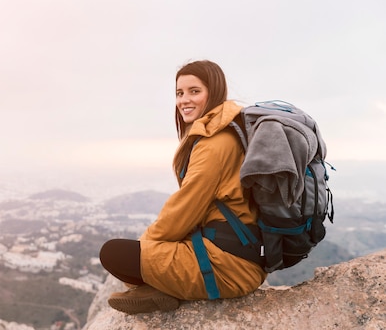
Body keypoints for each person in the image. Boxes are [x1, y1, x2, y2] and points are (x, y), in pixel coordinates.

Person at [99, 60, 267, 315]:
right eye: (179, 93)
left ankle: (161, 289)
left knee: (115, 254)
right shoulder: (225, 131)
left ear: (214, 92)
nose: (184, 100)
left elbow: (185, 208)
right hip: (233, 251)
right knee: (135, 255)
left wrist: (146, 246)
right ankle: (159, 291)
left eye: (194, 91)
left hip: (229, 264)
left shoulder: (215, 142)